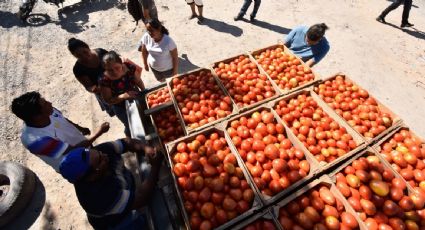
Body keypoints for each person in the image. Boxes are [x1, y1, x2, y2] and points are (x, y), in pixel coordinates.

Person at [59, 138, 163, 229]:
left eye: (98, 152)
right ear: (94, 174)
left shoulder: (97, 153)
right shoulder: (97, 198)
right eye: (100, 159)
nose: (104, 155)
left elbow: (126, 142)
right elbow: (141, 198)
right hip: (117, 222)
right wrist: (155, 167)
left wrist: (145, 147)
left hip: (123, 193)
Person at [11, 91, 110, 172]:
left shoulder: (50, 111)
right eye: (45, 104)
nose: (50, 103)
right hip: (76, 164)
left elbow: (63, 119)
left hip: (85, 145)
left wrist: (80, 128)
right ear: (37, 116)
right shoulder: (35, 141)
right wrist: (100, 132)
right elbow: (74, 150)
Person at [99, 51, 144, 137]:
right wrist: (123, 96)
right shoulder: (104, 80)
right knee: (130, 125)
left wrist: (144, 91)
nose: (115, 72)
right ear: (105, 69)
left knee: (143, 117)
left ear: (121, 63)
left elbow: (138, 81)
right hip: (119, 105)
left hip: (135, 95)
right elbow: (108, 100)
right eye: (110, 70)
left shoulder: (129, 67)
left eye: (117, 67)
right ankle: (130, 139)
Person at [68, 38, 114, 116]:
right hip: (104, 93)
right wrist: (93, 89)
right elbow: (88, 86)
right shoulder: (78, 69)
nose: (84, 56)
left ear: (88, 47)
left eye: (85, 52)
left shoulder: (101, 52)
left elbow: (116, 62)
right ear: (74, 56)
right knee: (119, 111)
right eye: (79, 55)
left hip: (120, 84)